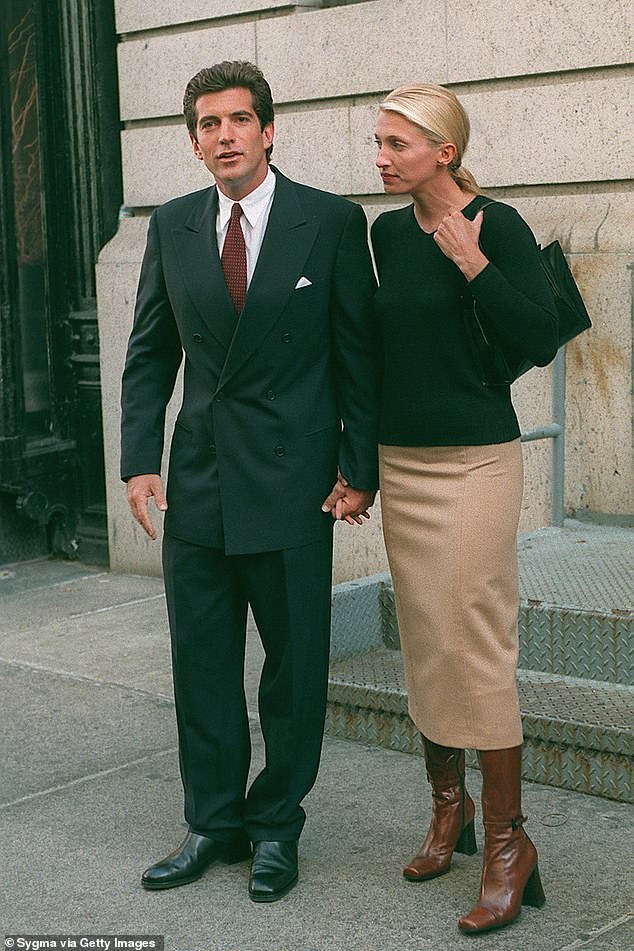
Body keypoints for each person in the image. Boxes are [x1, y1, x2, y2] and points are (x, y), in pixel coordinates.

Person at [121, 60, 379, 902]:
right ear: (193, 143)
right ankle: (213, 820)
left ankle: (276, 826)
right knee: (200, 664)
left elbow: (357, 356)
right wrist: (139, 459)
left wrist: (358, 465)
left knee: (294, 671)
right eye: (207, 124)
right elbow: (151, 352)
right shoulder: (174, 226)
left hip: (294, 484)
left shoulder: (331, 222)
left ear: (269, 129)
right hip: (197, 483)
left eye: (238, 120)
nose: (223, 135)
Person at [371, 83, 558, 934]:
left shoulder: (500, 225)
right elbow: (370, 354)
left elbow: (536, 336)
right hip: (402, 462)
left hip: (479, 459)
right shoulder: (380, 235)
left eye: (396, 144)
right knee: (424, 636)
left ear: (442, 151)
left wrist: (472, 262)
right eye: (379, 142)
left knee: (475, 636)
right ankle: (451, 806)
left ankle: (509, 843)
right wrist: (358, 468)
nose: (380, 157)